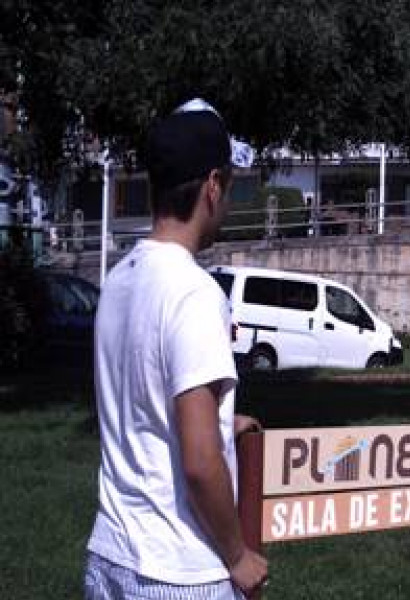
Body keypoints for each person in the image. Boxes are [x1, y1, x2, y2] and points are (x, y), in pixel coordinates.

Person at [84, 99, 268, 599]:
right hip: (179, 571)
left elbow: (143, 406)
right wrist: (237, 556)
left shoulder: (119, 281)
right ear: (212, 186)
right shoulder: (194, 292)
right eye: (228, 186)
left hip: (110, 558)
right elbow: (199, 462)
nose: (227, 200)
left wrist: (223, 424)